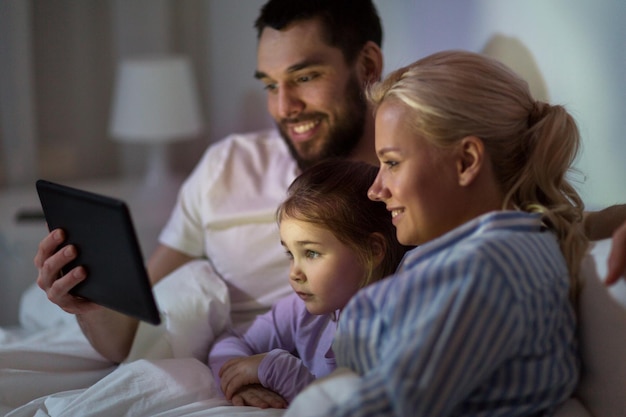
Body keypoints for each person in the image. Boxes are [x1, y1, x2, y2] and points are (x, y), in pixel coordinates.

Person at [32, 0, 626, 365]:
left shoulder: (430, 190)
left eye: (305, 77)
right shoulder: (225, 168)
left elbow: (551, 218)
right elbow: (131, 331)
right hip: (248, 355)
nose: (283, 106)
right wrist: (87, 301)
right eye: (269, 84)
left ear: (367, 66)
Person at [317, 50, 587, 416]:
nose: (375, 189)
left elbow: (390, 406)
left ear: (466, 161)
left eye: (392, 163)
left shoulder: (487, 272)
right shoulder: (504, 248)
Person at [208, 159, 408, 409]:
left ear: (372, 250)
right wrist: (241, 379)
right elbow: (231, 340)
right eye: (291, 254)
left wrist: (279, 370)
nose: (294, 273)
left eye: (311, 253)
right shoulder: (302, 311)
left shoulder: (395, 328)